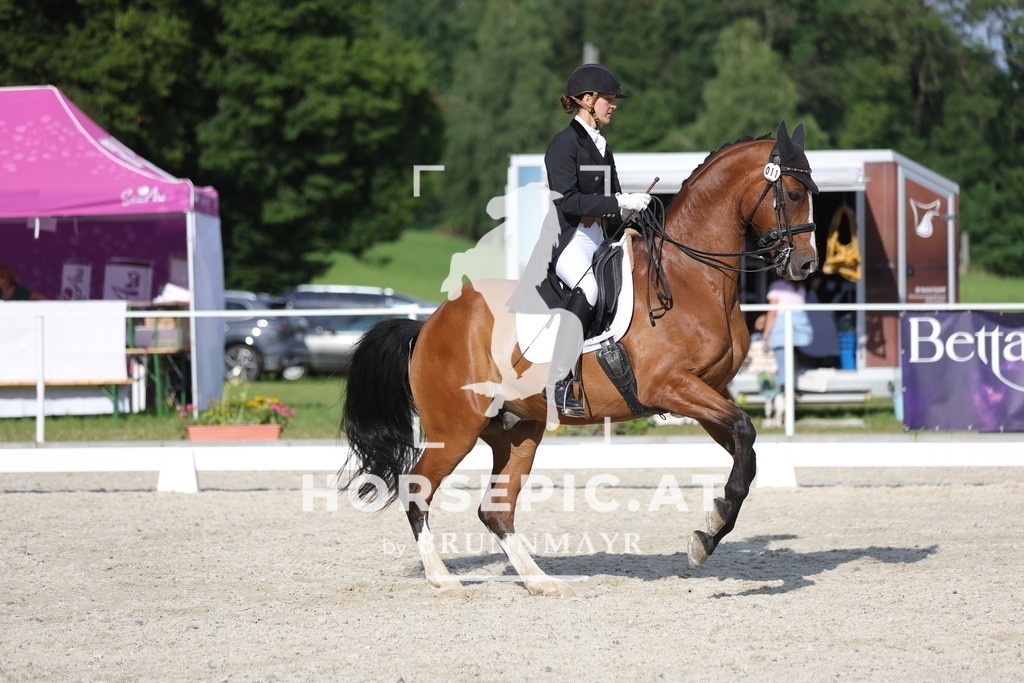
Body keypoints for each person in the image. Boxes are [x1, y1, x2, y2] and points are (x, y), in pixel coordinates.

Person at [542, 63, 651, 417]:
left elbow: (613, 198)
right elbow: (568, 200)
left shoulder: (603, 147)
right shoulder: (563, 145)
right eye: (608, 99)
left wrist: (632, 211)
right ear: (587, 100)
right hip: (571, 241)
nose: (613, 105)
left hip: (603, 239)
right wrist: (617, 202)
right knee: (589, 290)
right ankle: (556, 381)